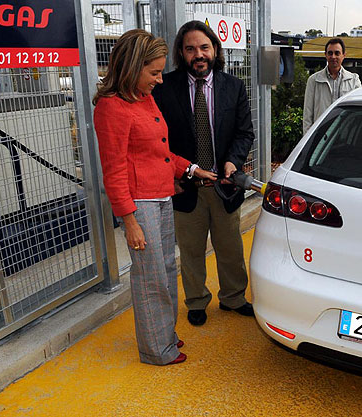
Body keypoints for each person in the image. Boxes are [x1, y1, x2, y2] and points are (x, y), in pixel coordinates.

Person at [93, 29, 216, 365]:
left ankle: (164, 335)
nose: (160, 80)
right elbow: (114, 169)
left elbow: (159, 153)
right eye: (154, 72)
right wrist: (128, 220)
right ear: (133, 67)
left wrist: (191, 170)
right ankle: (155, 350)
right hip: (140, 205)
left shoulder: (143, 98)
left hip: (162, 197)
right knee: (150, 278)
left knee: (163, 270)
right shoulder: (111, 108)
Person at [152, 21, 255, 327]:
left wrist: (233, 162)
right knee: (191, 249)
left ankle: (234, 297)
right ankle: (196, 300)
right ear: (181, 53)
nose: (198, 54)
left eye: (204, 47)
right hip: (185, 185)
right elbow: (159, 140)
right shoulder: (164, 88)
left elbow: (244, 133)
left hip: (224, 184)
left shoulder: (233, 87)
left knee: (230, 247)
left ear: (215, 50)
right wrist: (171, 175)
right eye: (190, 48)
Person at [303, 38, 362, 134]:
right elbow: (307, 115)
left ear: (343, 55)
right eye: (330, 53)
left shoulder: (354, 80)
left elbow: (359, 112)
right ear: (325, 55)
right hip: (320, 136)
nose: (333, 56)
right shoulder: (313, 81)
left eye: (337, 53)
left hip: (344, 136)